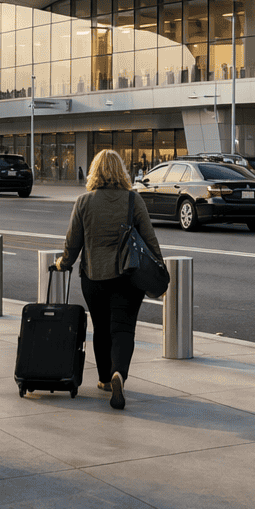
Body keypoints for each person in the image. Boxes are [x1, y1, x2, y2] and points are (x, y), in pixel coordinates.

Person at [55, 149, 162, 410]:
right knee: (123, 329)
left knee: (101, 329)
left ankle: (104, 379)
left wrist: (62, 263)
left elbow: (73, 243)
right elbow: (149, 240)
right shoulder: (133, 200)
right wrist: (159, 269)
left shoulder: (83, 201)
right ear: (121, 171)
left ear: (94, 171)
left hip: (94, 278)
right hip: (128, 277)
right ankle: (119, 374)